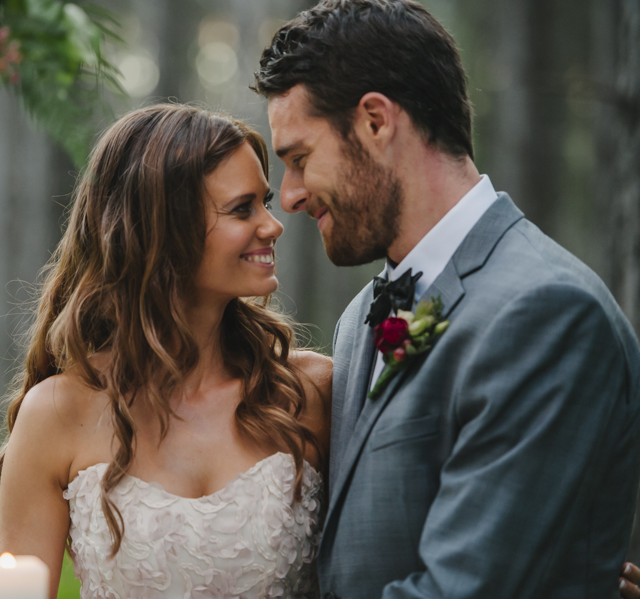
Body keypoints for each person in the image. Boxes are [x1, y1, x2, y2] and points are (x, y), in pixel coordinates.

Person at [254, 1, 640, 598]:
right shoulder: (361, 321)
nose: (292, 197)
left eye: (300, 160)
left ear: (376, 122)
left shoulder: (546, 313)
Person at [0, 103, 333, 598]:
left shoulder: (310, 393)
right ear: (164, 230)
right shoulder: (55, 414)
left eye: (265, 203)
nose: (272, 225)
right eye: (243, 208)